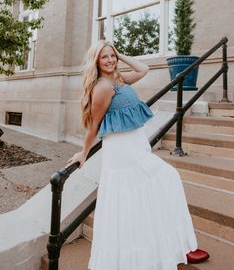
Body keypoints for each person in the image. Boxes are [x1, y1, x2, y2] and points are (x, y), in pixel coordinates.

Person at [66, 40, 209, 270]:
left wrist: (119, 55)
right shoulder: (103, 87)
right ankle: (149, 255)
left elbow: (144, 69)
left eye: (112, 55)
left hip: (136, 144)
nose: (110, 60)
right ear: (96, 61)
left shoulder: (118, 78)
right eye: (105, 57)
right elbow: (93, 125)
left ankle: (177, 245)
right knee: (159, 183)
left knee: (151, 193)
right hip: (122, 151)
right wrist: (83, 153)